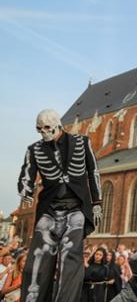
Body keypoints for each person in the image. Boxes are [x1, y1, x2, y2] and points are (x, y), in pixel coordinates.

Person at [17, 109, 103, 302]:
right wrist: (26, 191)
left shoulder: (83, 142)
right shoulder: (34, 149)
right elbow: (27, 175)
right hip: (49, 209)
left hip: (76, 208)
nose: (43, 133)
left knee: (69, 261)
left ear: (58, 125)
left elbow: (93, 172)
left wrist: (97, 202)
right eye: (39, 129)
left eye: (47, 128)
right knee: (36, 262)